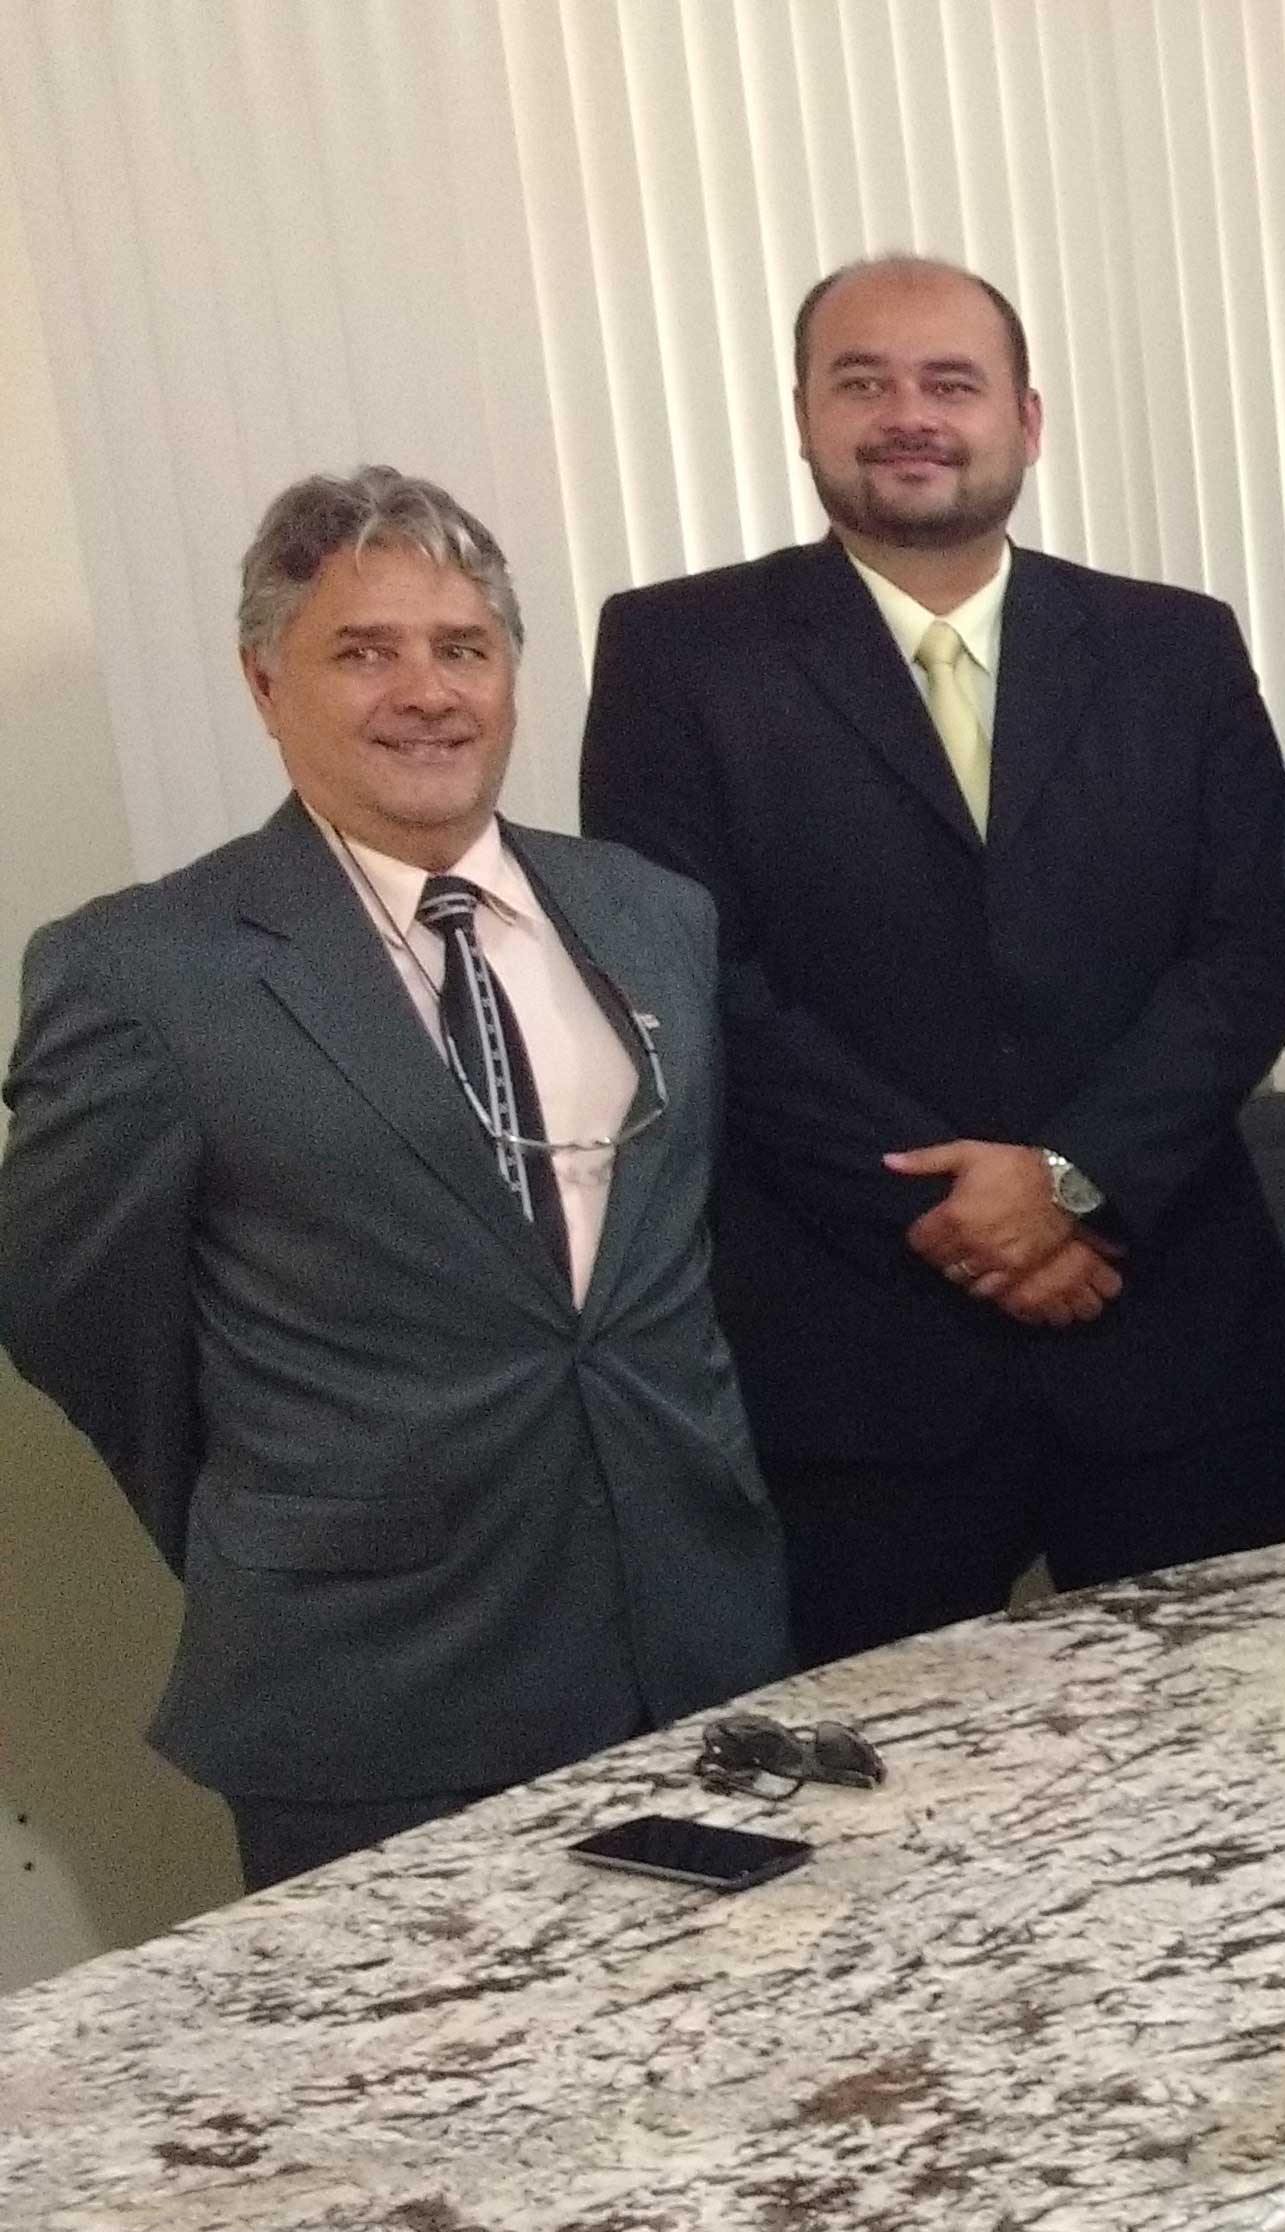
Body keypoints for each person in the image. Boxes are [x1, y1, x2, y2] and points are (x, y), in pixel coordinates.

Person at [0, 469, 784, 1887]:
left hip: (694, 1633)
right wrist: (279, 1503)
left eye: (464, 647)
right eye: (365, 650)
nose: (426, 691)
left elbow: (678, 1254)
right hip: (376, 1684)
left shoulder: (652, 915)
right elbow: (75, 1313)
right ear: (265, 681)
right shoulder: (145, 972)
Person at [581, 254, 1285, 1666]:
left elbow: (1246, 949)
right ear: (802, 415)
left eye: (951, 382)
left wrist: (1067, 1183)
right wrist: (969, 1216)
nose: (909, 413)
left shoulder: (1176, 645)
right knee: (892, 1832)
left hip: (1162, 1332)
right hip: (860, 1368)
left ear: (1026, 420)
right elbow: (695, 981)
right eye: (864, 380)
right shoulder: (678, 654)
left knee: (1234, 1795)